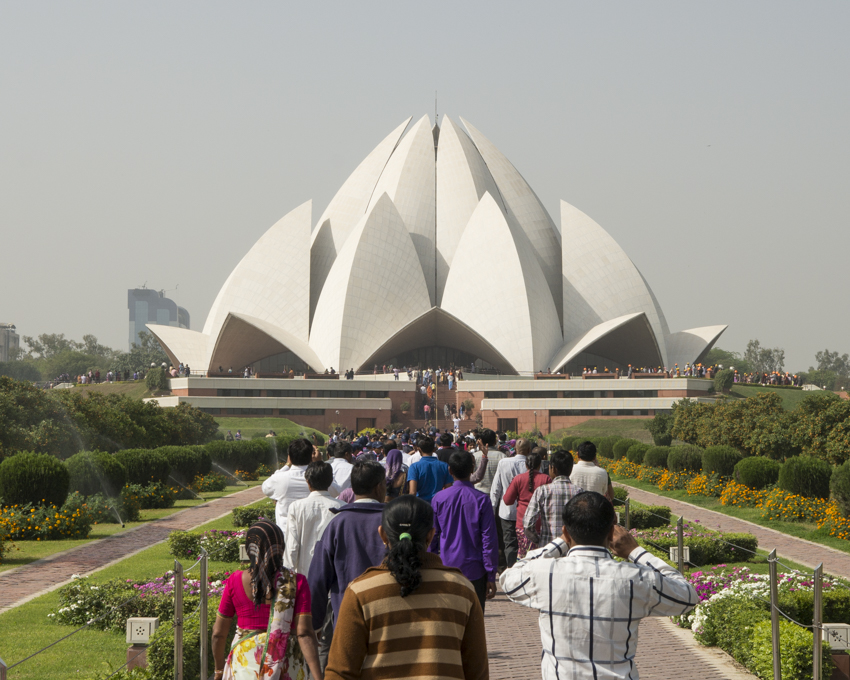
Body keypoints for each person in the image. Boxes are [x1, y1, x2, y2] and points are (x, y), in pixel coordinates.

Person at [500, 492, 698, 680]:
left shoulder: (545, 573)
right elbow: (687, 596)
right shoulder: (635, 578)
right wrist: (635, 551)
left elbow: (510, 577)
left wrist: (561, 542)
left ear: (566, 532)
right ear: (613, 531)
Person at [324, 495, 489, 680]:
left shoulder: (360, 592)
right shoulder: (462, 590)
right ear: (431, 535)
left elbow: (340, 672)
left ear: (383, 534)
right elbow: (477, 672)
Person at [212, 520, 322, 680]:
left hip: (245, 667)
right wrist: (319, 677)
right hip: (286, 666)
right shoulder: (296, 582)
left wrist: (218, 670)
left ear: (249, 549)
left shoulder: (234, 580)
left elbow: (218, 634)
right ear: (281, 548)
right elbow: (304, 633)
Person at [308, 460, 387, 671]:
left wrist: (314, 623)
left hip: (345, 615)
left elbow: (317, 579)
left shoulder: (338, 523)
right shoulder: (391, 522)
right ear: (380, 486)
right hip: (388, 614)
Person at [431, 450, 498, 612]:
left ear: (450, 470)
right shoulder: (481, 500)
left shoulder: (439, 499)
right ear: (472, 469)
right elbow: (488, 539)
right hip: (475, 571)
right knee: (474, 623)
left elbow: (431, 537)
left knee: (450, 622)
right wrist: (490, 574)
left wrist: (431, 568)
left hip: (448, 568)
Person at [262, 438, 340, 532]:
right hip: (314, 534)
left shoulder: (279, 479)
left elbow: (265, 487)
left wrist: (287, 465)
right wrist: (318, 465)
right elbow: (337, 490)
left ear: (289, 457)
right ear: (311, 456)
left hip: (286, 534)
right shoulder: (317, 477)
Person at [284, 461, 345, 576]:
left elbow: (292, 547)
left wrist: (288, 581)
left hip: (305, 576)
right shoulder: (342, 507)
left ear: (308, 482)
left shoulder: (297, 507)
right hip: (334, 578)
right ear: (331, 481)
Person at [523, 449, 583, 547]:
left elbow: (528, 525)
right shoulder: (580, 492)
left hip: (548, 548)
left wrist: (539, 541)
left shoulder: (542, 491)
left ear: (553, 469)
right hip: (571, 549)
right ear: (571, 469)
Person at [502, 449, 551, 558]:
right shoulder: (546, 479)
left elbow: (507, 500)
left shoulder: (518, 479)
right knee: (540, 557)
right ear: (540, 464)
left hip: (522, 524)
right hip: (541, 525)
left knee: (524, 556)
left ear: (526, 464)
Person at [490, 438, 531, 567]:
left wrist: (492, 508)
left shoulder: (504, 463)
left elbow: (496, 488)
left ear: (515, 450)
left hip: (507, 511)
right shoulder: (532, 464)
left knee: (510, 544)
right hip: (527, 512)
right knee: (526, 545)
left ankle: (511, 570)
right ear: (529, 450)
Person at [407, 436, 453, 503]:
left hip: (421, 505)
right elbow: (448, 489)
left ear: (419, 450)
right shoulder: (444, 466)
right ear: (434, 449)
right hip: (439, 504)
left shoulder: (414, 467)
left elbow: (412, 492)